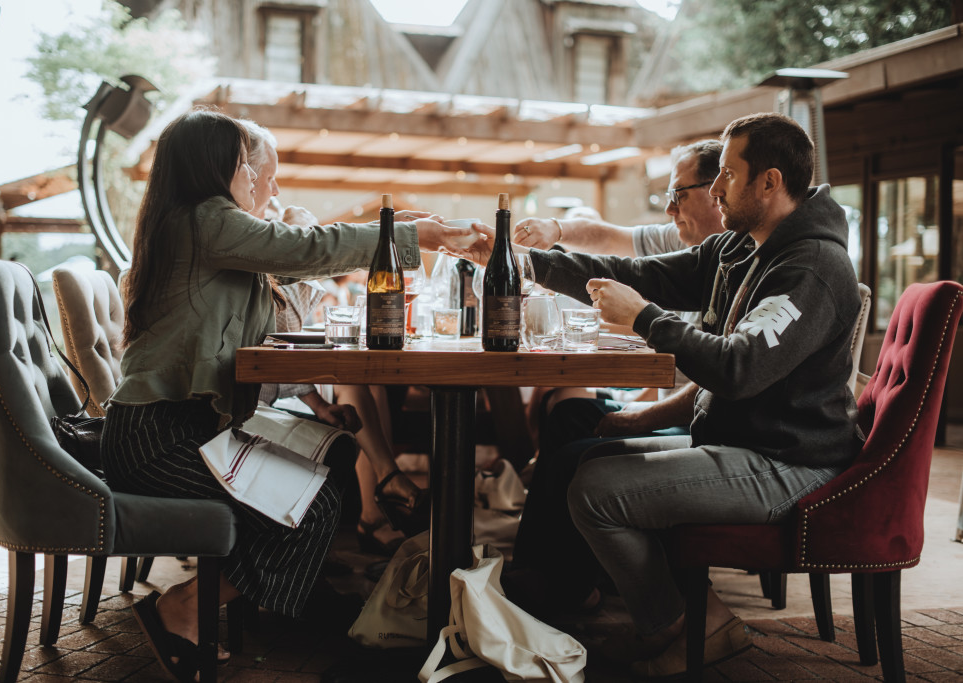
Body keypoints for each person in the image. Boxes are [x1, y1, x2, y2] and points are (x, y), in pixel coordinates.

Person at [457, 112, 862, 677]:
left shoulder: (812, 267)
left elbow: (739, 369)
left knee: (596, 490)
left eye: (727, 174)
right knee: (585, 458)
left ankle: (690, 625)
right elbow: (636, 272)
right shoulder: (739, 249)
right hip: (742, 445)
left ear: (770, 183)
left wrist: (644, 319)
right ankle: (597, 604)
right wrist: (525, 262)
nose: (716, 188)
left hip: (788, 463)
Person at [101, 108, 468, 681]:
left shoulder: (197, 226)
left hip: (186, 428)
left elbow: (295, 262)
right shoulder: (204, 219)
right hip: (156, 438)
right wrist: (409, 236)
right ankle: (181, 610)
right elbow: (306, 249)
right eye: (245, 163)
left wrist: (401, 227)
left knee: (318, 494)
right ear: (213, 166)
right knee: (307, 508)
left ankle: (213, 608)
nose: (254, 175)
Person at [506, 140, 727, 617]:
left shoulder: (756, 262)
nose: (668, 210)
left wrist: (643, 411)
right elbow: (613, 252)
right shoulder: (697, 247)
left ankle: (556, 582)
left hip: (699, 419)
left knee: (575, 447)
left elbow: (728, 375)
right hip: (683, 403)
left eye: (678, 195)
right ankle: (561, 577)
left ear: (720, 190)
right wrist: (554, 234)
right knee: (567, 409)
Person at [239, 119, 424, 554]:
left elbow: (278, 335)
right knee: (353, 382)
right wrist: (299, 236)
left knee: (360, 379)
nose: (276, 191)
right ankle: (381, 492)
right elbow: (281, 331)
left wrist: (317, 403)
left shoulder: (251, 236)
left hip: (260, 388)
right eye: (268, 179)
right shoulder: (241, 240)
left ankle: (376, 502)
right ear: (241, 176)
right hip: (244, 402)